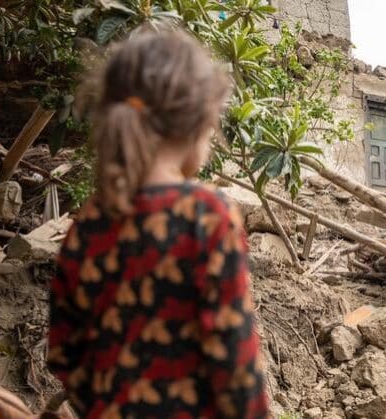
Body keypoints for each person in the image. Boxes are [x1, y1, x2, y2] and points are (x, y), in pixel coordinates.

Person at [47, 30, 268, 419]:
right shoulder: (208, 216)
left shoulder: (87, 226)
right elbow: (236, 364)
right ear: (199, 122)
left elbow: (63, 355)